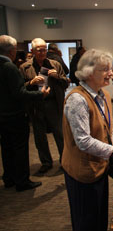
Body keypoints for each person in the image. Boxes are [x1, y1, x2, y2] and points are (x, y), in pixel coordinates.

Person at [61, 49, 113, 231]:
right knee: (86, 221)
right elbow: (83, 140)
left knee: (99, 217)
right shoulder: (77, 99)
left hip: (99, 167)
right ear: (89, 72)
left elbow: (108, 127)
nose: (111, 73)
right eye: (105, 69)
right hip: (81, 173)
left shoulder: (103, 95)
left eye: (111, 69)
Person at [0, 35, 50, 191]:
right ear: (12, 50)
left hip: (3, 116)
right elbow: (19, 93)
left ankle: (9, 178)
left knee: (6, 148)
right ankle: (22, 181)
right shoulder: (10, 67)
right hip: (15, 115)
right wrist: (40, 94)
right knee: (20, 149)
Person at [20, 38, 69, 174]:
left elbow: (66, 82)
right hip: (36, 105)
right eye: (39, 50)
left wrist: (58, 76)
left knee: (59, 134)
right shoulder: (25, 67)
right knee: (39, 136)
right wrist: (31, 82)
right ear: (33, 51)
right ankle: (46, 162)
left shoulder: (54, 64)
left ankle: (64, 160)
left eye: (44, 49)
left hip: (54, 104)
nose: (43, 52)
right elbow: (20, 89)